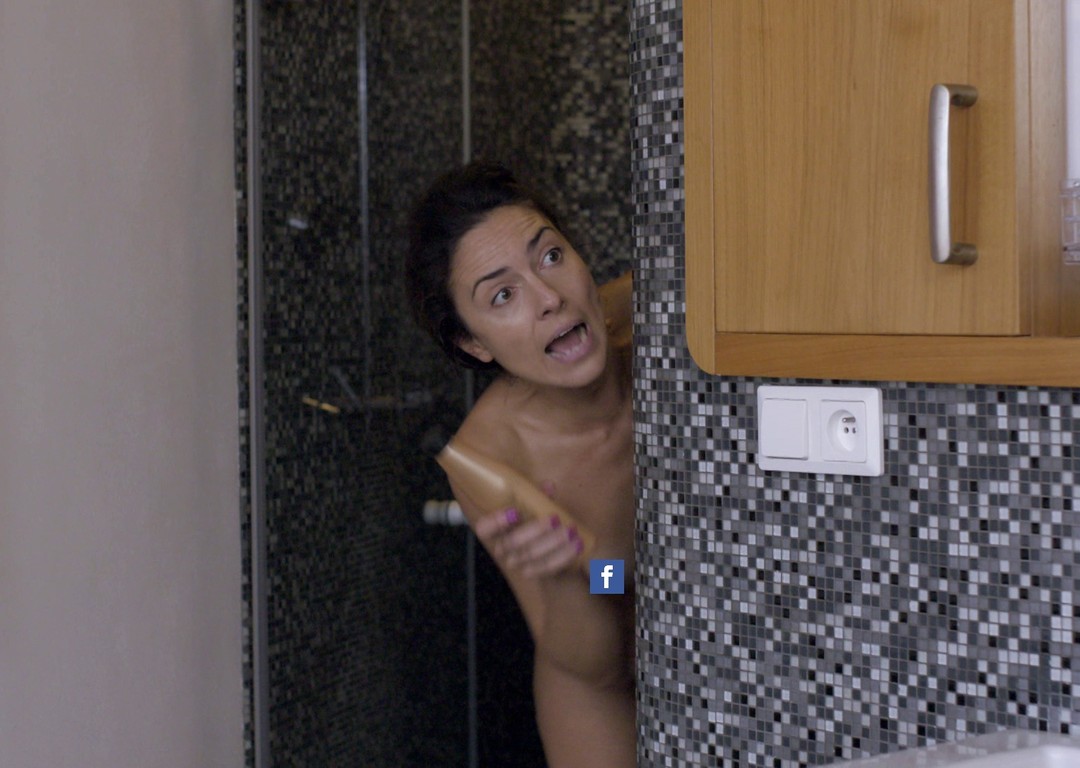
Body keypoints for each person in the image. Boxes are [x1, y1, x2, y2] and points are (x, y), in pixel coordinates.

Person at [406, 160, 635, 768]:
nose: (550, 298)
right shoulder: (489, 460)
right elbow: (601, 661)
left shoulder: (652, 319)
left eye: (551, 256)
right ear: (474, 343)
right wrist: (572, 576)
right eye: (503, 295)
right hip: (599, 666)